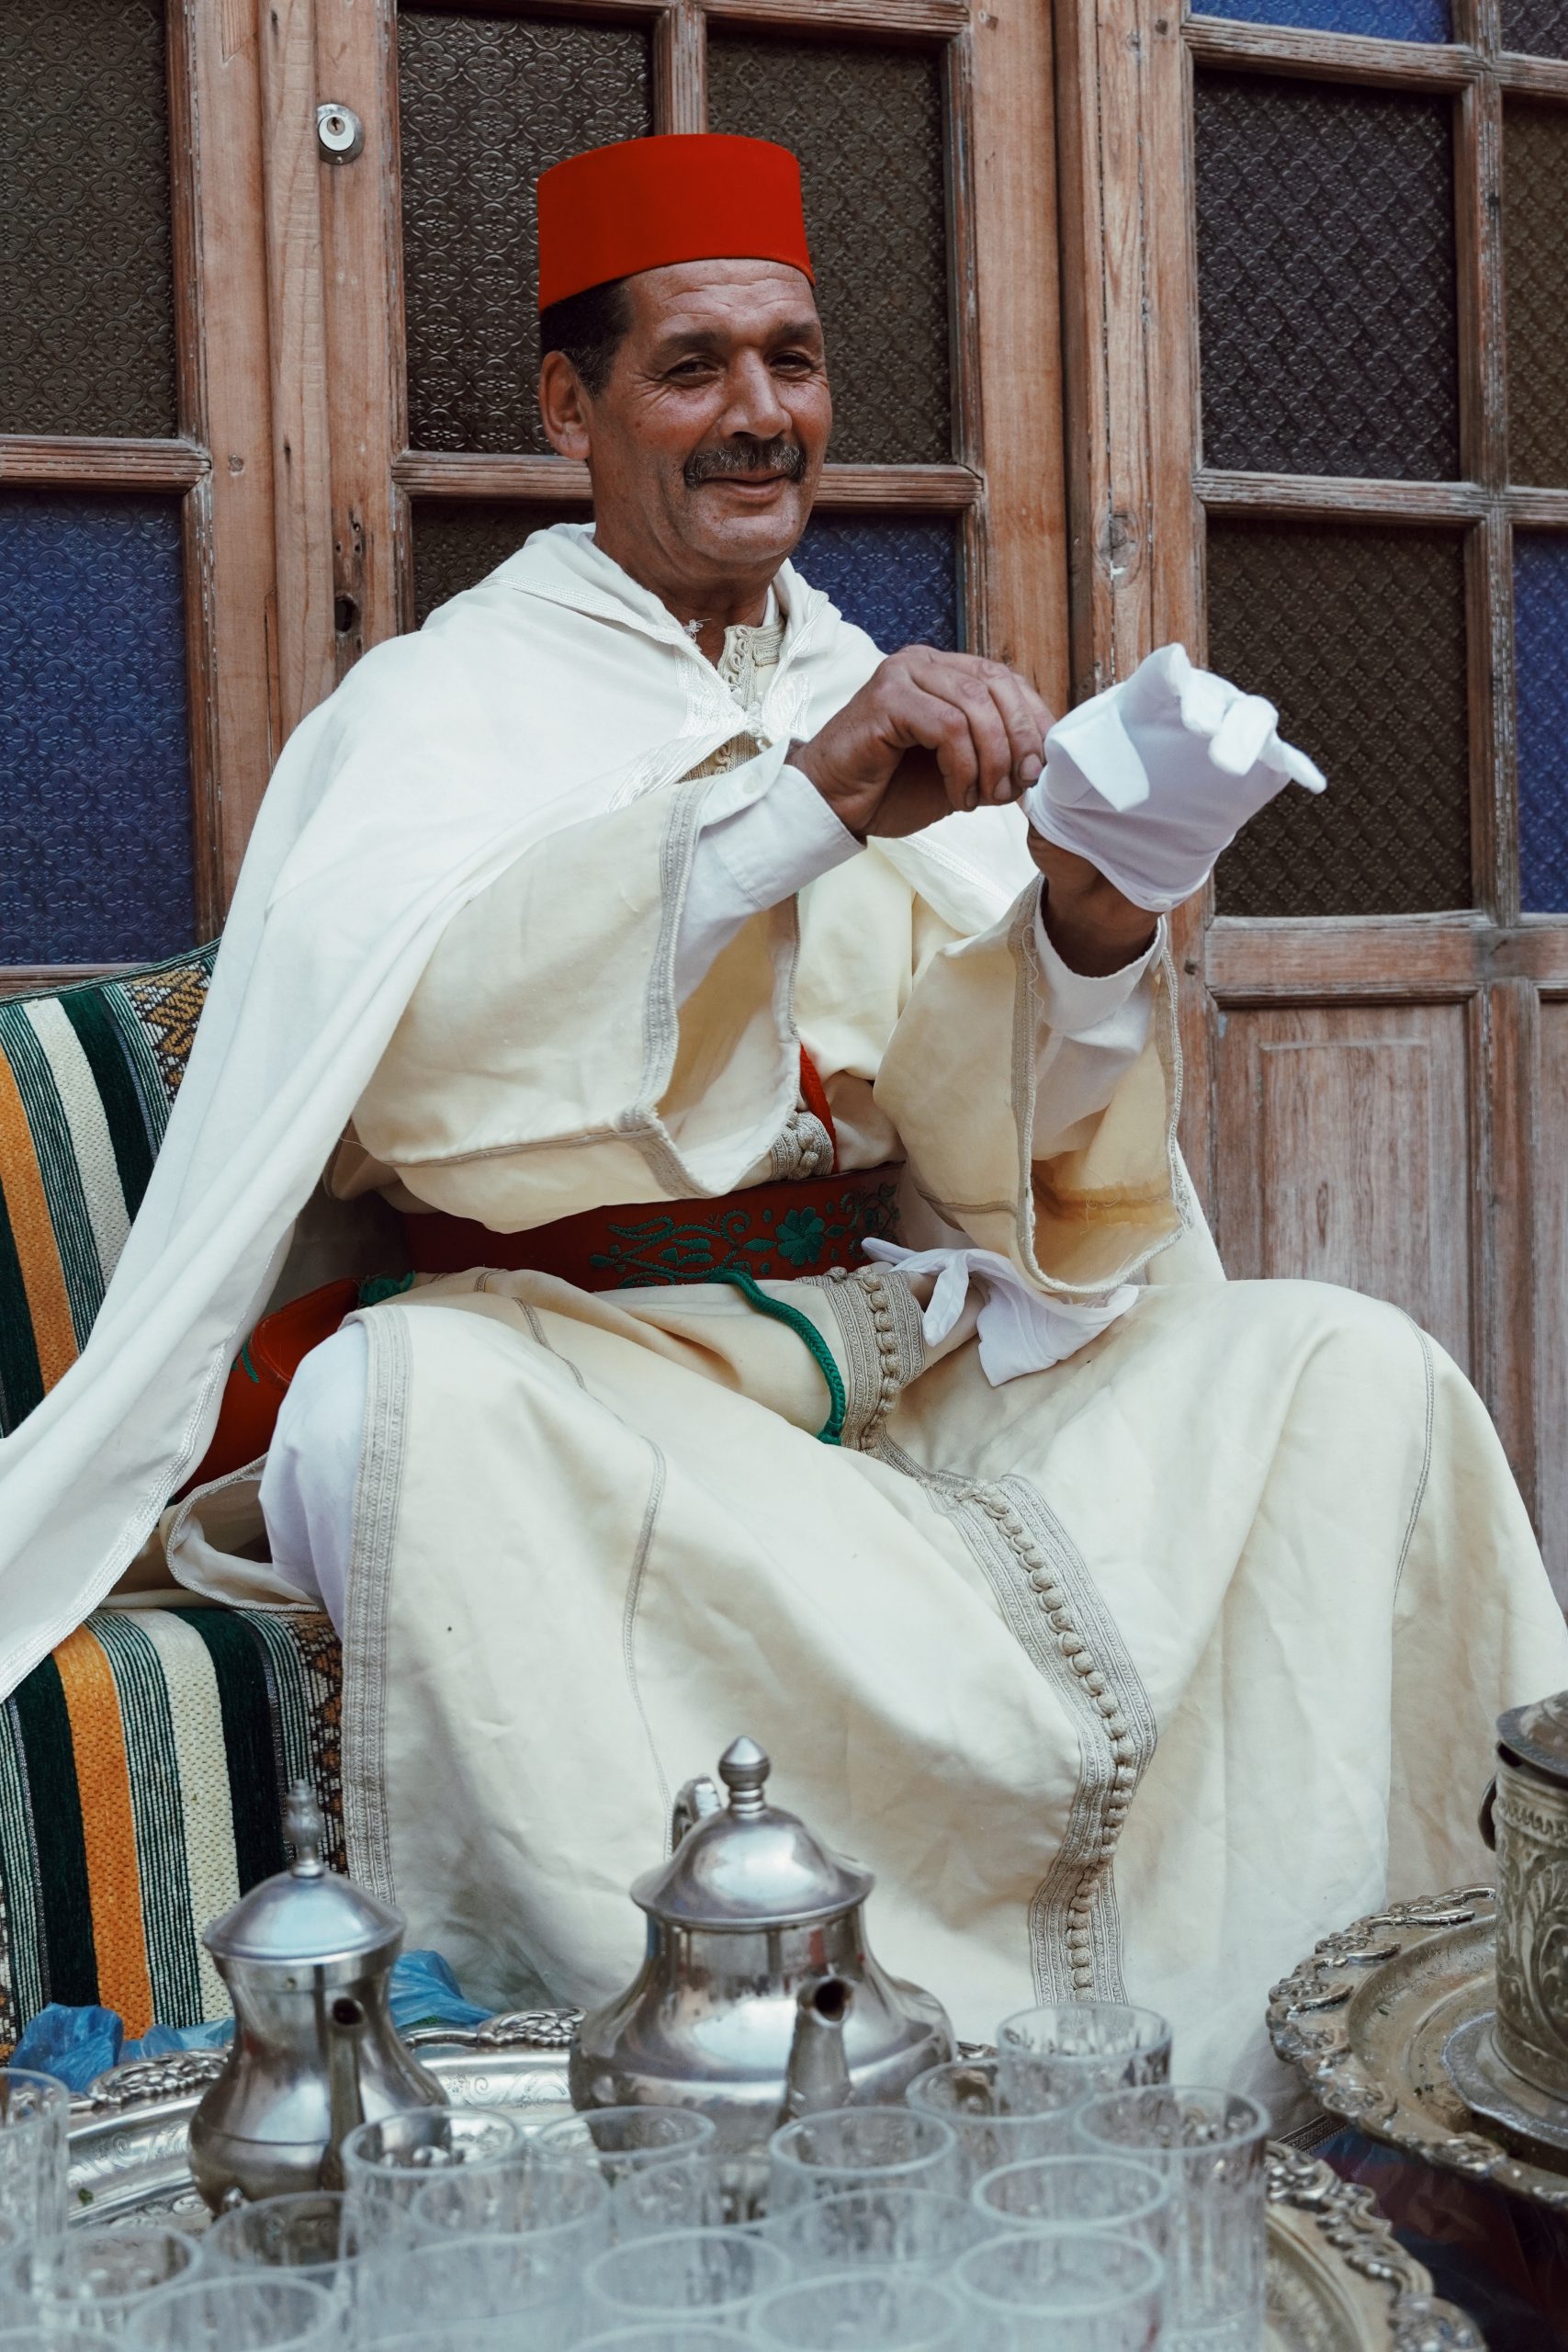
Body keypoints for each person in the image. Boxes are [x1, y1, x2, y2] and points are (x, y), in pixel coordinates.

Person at [3, 134, 1562, 2109]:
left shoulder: (854, 672)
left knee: (1350, 1373)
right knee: (400, 1410)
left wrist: (1089, 928)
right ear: (568, 406)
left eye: (793, 360)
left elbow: (988, 1152)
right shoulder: (435, 708)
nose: (761, 414)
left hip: (893, 1355)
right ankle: (765, 2089)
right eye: (693, 367)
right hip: (586, 1370)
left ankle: (1339, 2056)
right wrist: (789, 812)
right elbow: (420, 1074)